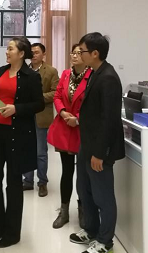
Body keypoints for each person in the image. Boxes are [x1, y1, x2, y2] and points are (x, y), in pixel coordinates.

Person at [0, 37, 44, 248]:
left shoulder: (31, 76)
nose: (7, 52)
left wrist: (16, 109)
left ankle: (12, 231)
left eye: (10, 49)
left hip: (17, 134)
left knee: (13, 183)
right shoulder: (1, 71)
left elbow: (38, 104)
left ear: (21, 53)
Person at [70, 32, 125, 253]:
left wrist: (100, 153)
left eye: (82, 51)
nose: (79, 54)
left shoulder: (108, 77)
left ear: (95, 53)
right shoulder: (94, 72)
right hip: (87, 144)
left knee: (103, 196)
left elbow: (109, 120)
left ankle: (105, 241)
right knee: (85, 190)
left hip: (99, 149)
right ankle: (90, 229)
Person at [47, 43, 92, 229]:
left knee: (83, 174)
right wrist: (63, 112)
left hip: (82, 129)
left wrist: (78, 119)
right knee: (66, 172)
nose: (74, 56)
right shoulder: (66, 74)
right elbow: (57, 96)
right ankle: (64, 211)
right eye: (73, 53)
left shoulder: (92, 76)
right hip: (65, 127)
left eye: (78, 53)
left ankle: (83, 209)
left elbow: (92, 104)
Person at [23, 42, 59, 197]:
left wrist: (37, 98)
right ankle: (28, 180)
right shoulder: (23, 70)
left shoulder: (51, 71)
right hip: (25, 116)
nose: (33, 55)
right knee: (26, 149)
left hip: (41, 115)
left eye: (37, 52)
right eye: (31, 52)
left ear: (44, 54)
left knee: (40, 152)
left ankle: (42, 182)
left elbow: (55, 93)